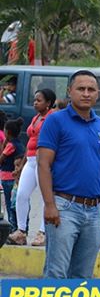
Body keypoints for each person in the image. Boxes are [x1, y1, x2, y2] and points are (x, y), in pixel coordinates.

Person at [37, 70, 100, 297]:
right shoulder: (56, 121)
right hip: (64, 206)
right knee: (56, 273)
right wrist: (49, 204)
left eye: (91, 89)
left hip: (93, 210)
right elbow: (43, 164)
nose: (86, 93)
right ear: (70, 92)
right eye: (81, 88)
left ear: (98, 94)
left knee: (83, 277)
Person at [8, 88, 55, 247]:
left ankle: (42, 232)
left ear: (48, 103)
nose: (35, 103)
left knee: (44, 196)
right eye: (35, 100)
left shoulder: (52, 118)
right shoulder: (36, 117)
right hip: (30, 159)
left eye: (39, 100)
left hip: (43, 160)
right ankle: (21, 231)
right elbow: (30, 143)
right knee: (21, 195)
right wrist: (21, 165)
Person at [0, 119, 25, 230]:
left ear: (7, 132)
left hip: (7, 178)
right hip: (14, 178)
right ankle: (17, 227)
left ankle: (12, 227)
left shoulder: (11, 145)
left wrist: (4, 143)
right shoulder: (19, 144)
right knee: (14, 203)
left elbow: (1, 158)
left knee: (9, 204)